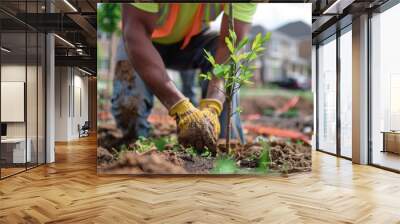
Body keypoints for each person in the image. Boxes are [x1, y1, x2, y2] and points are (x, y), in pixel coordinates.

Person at [120, 3, 256, 150]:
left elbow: (228, 46)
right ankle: (135, 145)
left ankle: (222, 145)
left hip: (192, 41)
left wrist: (213, 106)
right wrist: (181, 107)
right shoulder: (138, 35)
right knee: (129, 109)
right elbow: (135, 33)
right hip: (142, 41)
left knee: (230, 57)